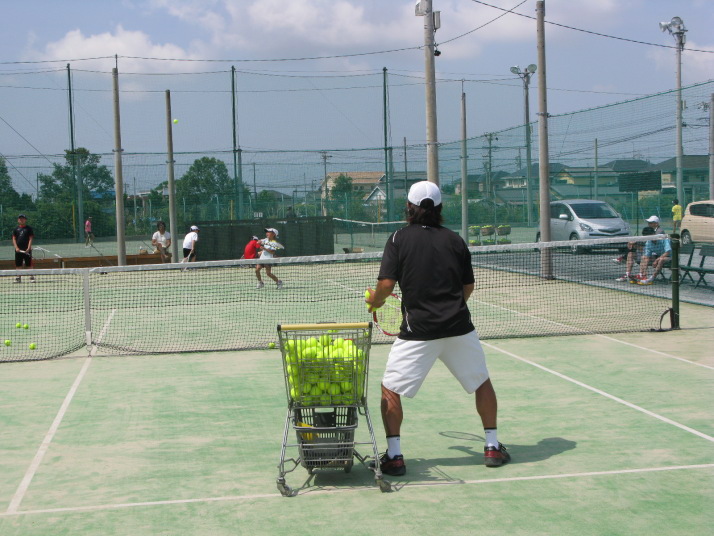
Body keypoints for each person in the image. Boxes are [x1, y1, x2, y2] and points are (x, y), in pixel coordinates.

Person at [365, 181, 509, 477]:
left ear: (409, 207)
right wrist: (451, 309)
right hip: (459, 327)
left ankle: (394, 457)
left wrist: (376, 302)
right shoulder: (455, 240)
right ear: (440, 208)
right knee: (482, 382)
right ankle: (492, 447)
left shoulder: (398, 238)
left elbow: (386, 284)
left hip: (419, 331)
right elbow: (468, 286)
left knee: (390, 389)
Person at [12, 214, 35, 283]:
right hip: (18, 250)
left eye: (23, 218)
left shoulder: (29, 228)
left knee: (29, 264)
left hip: (27, 250)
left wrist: (28, 248)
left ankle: (31, 277)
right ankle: (18, 278)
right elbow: (14, 239)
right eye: (20, 218)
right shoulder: (16, 229)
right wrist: (16, 248)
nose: (21, 220)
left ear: (25, 220)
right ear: (18, 220)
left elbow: (31, 238)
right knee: (18, 264)